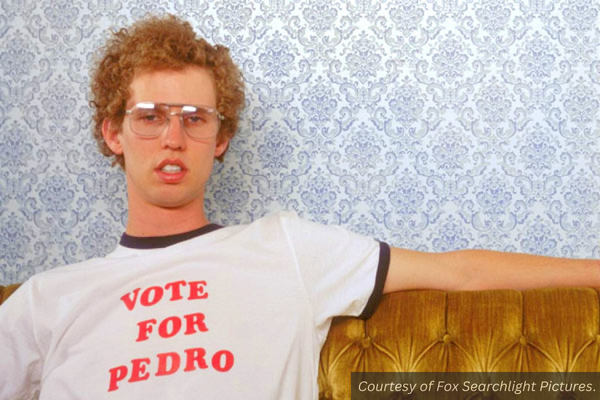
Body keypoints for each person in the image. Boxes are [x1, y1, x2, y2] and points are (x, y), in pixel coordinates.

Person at [0, 14, 598, 400]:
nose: (173, 139)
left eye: (194, 119)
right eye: (150, 117)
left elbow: (459, 271)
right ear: (113, 132)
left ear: (222, 138)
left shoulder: (286, 249)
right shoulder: (45, 300)